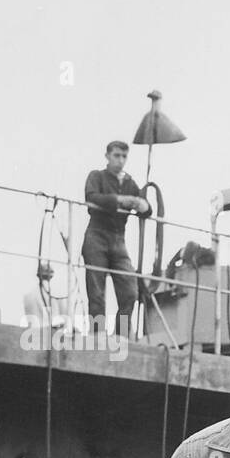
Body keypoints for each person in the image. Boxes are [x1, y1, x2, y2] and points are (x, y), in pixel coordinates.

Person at [83, 141, 151, 335]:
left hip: (118, 240)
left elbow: (146, 209)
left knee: (130, 291)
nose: (120, 160)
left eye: (124, 156)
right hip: (96, 236)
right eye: (116, 155)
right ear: (107, 156)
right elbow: (91, 197)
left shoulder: (129, 183)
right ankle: (97, 335)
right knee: (97, 292)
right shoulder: (97, 176)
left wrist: (143, 205)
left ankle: (121, 335)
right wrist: (120, 200)